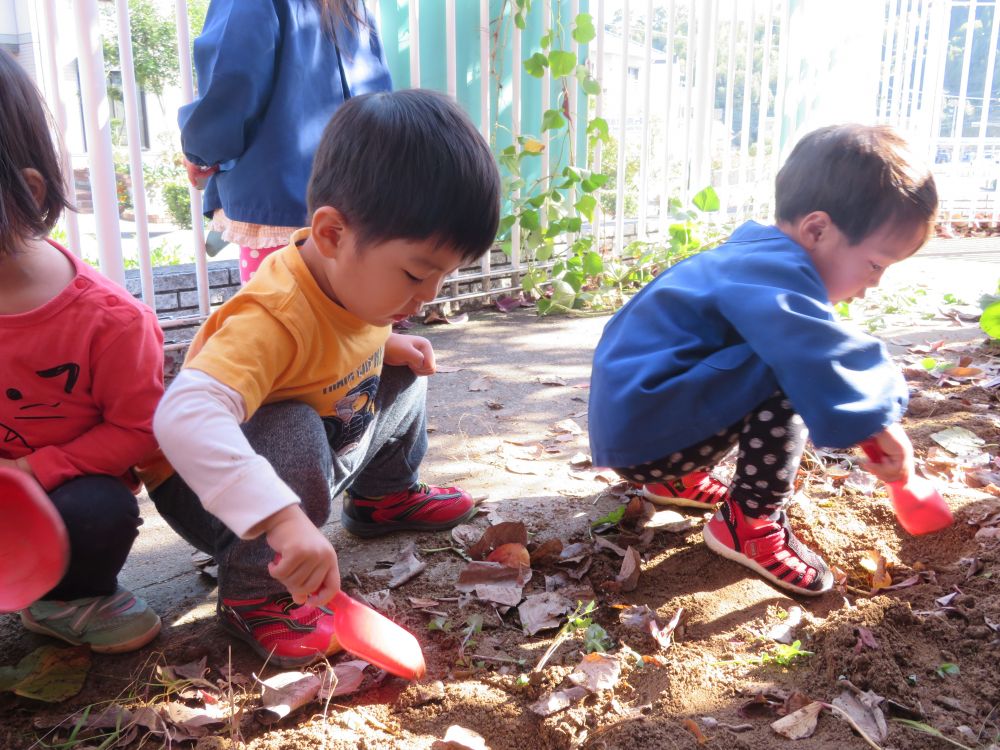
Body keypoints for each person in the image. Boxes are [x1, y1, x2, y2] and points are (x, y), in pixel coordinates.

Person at [147, 89, 501, 667]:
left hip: (316, 450)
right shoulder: (269, 317)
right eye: (416, 272)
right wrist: (284, 519)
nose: (430, 294)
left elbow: (339, 337)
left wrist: (388, 343)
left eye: (444, 275)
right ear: (333, 233)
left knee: (403, 368)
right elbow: (182, 417)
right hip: (213, 491)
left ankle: (383, 499)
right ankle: (254, 594)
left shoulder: (353, 284)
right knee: (290, 426)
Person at [588, 124, 938, 597]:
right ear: (817, 229)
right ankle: (750, 524)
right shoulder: (777, 271)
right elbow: (819, 351)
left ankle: (677, 480)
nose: (874, 283)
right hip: (650, 439)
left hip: (640, 426)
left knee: (765, 355)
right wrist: (876, 419)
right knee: (787, 365)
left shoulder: (750, 258)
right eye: (876, 264)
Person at [0, 50, 164, 650]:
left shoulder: (110, 321)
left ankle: (65, 602)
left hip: (60, 497)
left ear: (24, 192)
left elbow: (140, 430)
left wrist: (29, 472)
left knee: (99, 511)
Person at [178, 0, 392, 283]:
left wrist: (201, 151)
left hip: (275, 195)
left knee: (277, 317)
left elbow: (232, 82)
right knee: (347, 317)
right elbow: (376, 88)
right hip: (356, 192)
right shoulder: (350, 5)